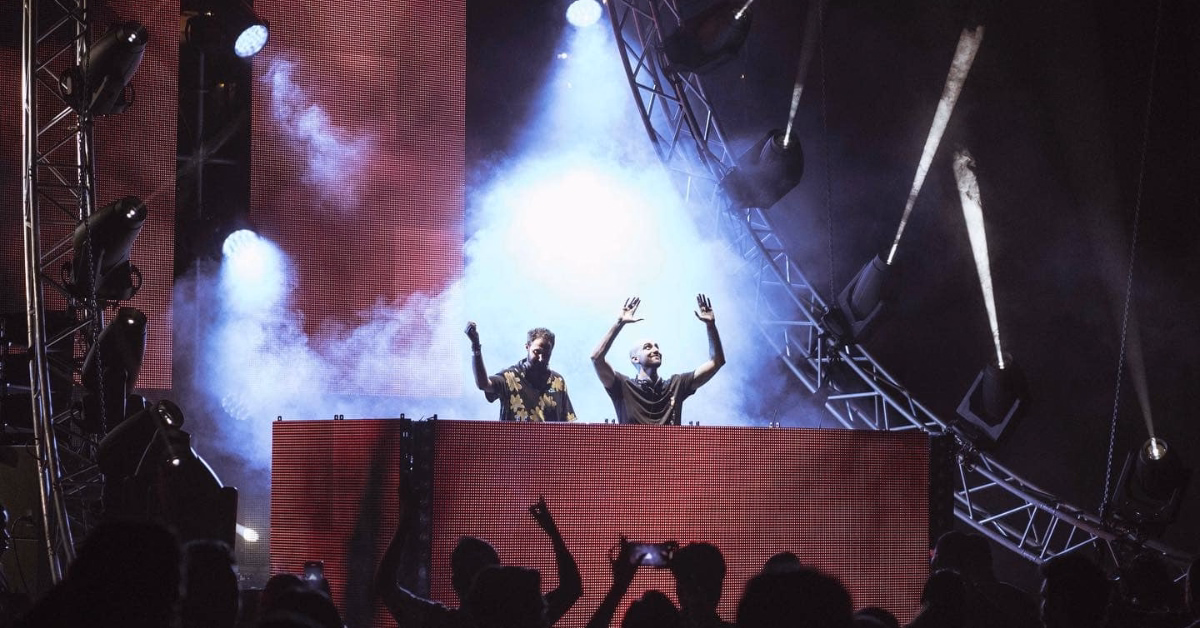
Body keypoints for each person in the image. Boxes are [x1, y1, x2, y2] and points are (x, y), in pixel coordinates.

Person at [591, 295, 725, 425]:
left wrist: (711, 326)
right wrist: (619, 324)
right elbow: (597, 358)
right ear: (635, 358)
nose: (656, 350)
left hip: (669, 448)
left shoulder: (676, 384)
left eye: (657, 347)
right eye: (647, 347)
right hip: (631, 448)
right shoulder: (622, 385)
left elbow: (716, 362)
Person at [467, 323, 577, 422]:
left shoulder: (558, 381)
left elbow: (567, 424)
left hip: (548, 445)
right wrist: (475, 347)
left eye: (546, 354)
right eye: (537, 352)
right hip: (515, 444)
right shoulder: (510, 378)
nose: (541, 358)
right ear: (527, 347)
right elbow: (483, 384)